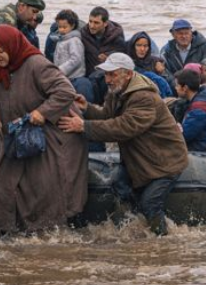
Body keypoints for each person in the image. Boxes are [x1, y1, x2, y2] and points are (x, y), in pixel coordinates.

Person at [58, 53, 189, 236]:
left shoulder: (143, 97)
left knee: (150, 203)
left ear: (127, 74)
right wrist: (86, 108)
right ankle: (129, 234)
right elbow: (107, 116)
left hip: (164, 162)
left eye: (112, 74)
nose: (108, 79)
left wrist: (84, 126)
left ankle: (163, 243)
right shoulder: (118, 92)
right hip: (139, 158)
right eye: (106, 75)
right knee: (119, 186)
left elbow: (124, 127)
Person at [0, 24, 88, 234]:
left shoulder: (37, 64)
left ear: (13, 46)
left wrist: (42, 112)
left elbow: (65, 91)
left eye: (1, 51)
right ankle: (3, 231)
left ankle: (43, 236)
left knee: (42, 186)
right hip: (14, 134)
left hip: (45, 135)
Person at [80, 6, 126, 72]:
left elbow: (123, 56)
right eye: (90, 21)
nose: (92, 26)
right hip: (90, 75)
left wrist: (108, 57)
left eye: (96, 23)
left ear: (105, 23)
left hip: (110, 75)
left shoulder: (116, 36)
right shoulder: (83, 33)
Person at [127, 31, 173, 97]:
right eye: (138, 45)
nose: (142, 49)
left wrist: (162, 72)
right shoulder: (126, 62)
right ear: (132, 46)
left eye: (145, 46)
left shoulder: (155, 61)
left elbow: (169, 81)